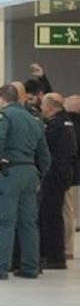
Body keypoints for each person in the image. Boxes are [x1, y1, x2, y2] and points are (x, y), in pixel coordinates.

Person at [0, 84, 52, 280]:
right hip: (30, 173)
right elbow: (44, 154)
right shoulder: (33, 119)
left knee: (4, 221)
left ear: (2, 99)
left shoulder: (4, 116)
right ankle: (30, 267)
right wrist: (39, 174)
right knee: (28, 223)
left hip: (9, 174)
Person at [38, 94, 78, 270]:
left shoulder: (56, 126)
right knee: (55, 215)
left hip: (55, 176)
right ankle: (54, 254)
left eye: (43, 106)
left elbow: (48, 151)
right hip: (63, 175)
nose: (41, 109)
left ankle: (54, 257)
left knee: (51, 217)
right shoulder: (66, 122)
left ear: (51, 107)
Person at [65, 95, 80, 260]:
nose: (64, 102)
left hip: (72, 175)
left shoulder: (73, 124)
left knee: (69, 211)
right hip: (72, 174)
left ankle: (68, 248)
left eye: (68, 100)